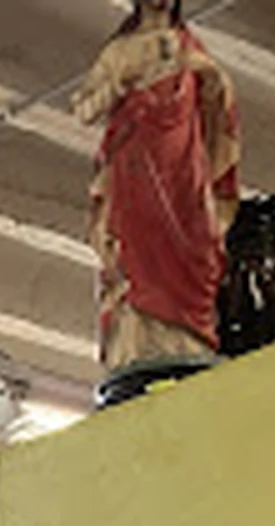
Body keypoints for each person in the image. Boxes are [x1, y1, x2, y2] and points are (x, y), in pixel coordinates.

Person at [73, 0, 241, 376]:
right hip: (136, 160)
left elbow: (217, 102)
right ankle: (138, 340)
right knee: (136, 242)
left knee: (198, 241)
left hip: (183, 164)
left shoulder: (189, 46)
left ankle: (188, 336)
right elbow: (85, 108)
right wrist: (123, 82)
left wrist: (206, 74)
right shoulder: (120, 50)